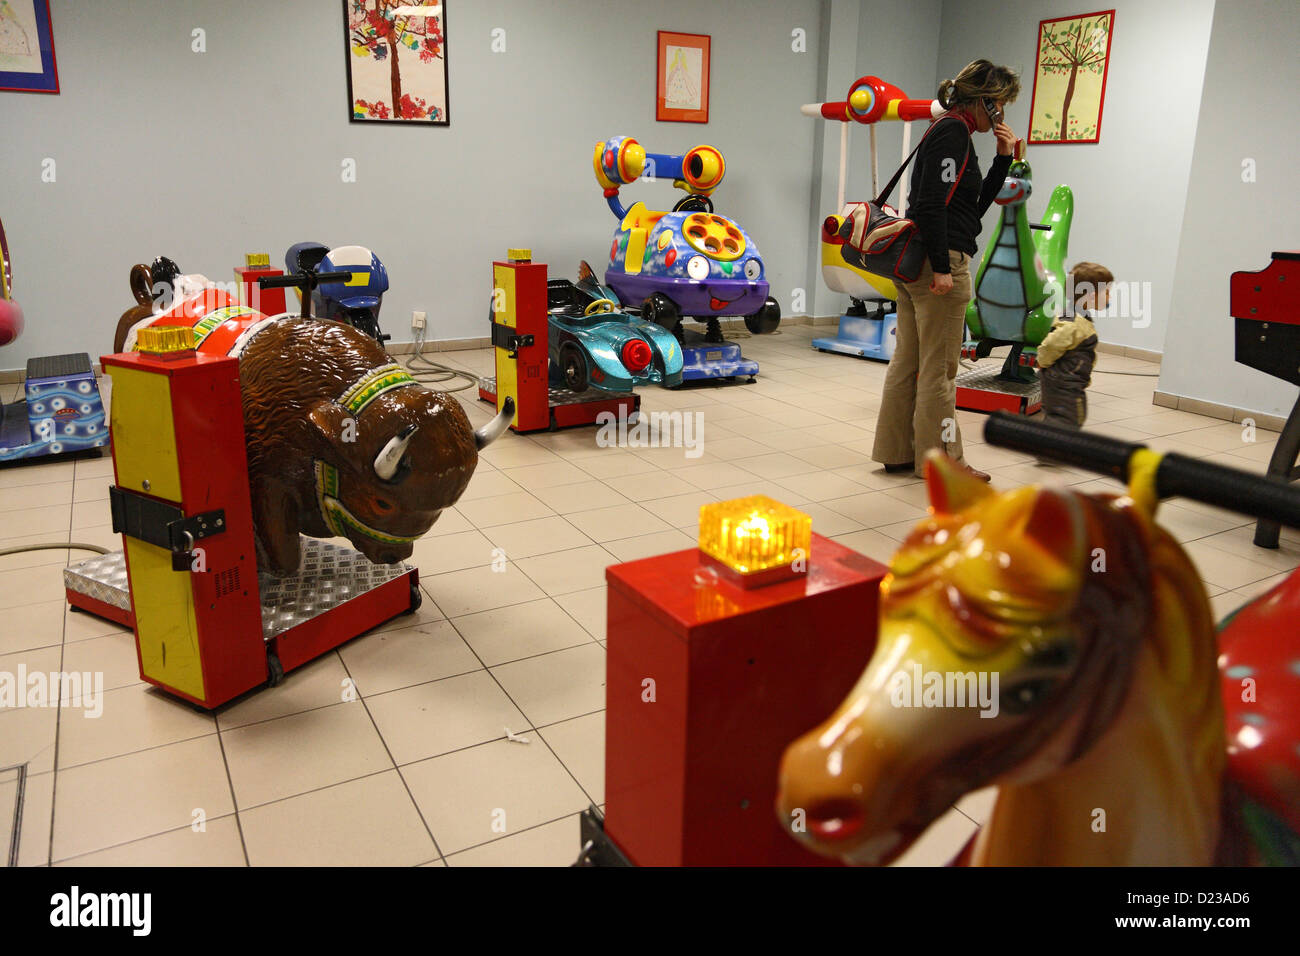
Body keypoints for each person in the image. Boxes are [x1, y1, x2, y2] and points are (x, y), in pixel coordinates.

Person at [872, 59, 1020, 481]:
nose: (1003, 114)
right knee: (939, 371)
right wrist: (942, 268)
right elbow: (930, 205)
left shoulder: (952, 132)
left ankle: (899, 452)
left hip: (921, 262)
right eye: (1001, 104)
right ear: (986, 102)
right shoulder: (953, 131)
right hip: (941, 265)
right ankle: (943, 465)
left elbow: (969, 212)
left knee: (910, 363)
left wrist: (1002, 161)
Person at [1036, 261, 1113, 433]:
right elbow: (1050, 345)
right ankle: (1050, 454)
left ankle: (1048, 450)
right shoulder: (1075, 324)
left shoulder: (1076, 317)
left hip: (1064, 380)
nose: (1109, 298)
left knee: (1060, 417)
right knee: (1069, 419)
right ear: (1092, 296)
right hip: (1064, 383)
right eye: (1107, 293)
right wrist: (1043, 362)